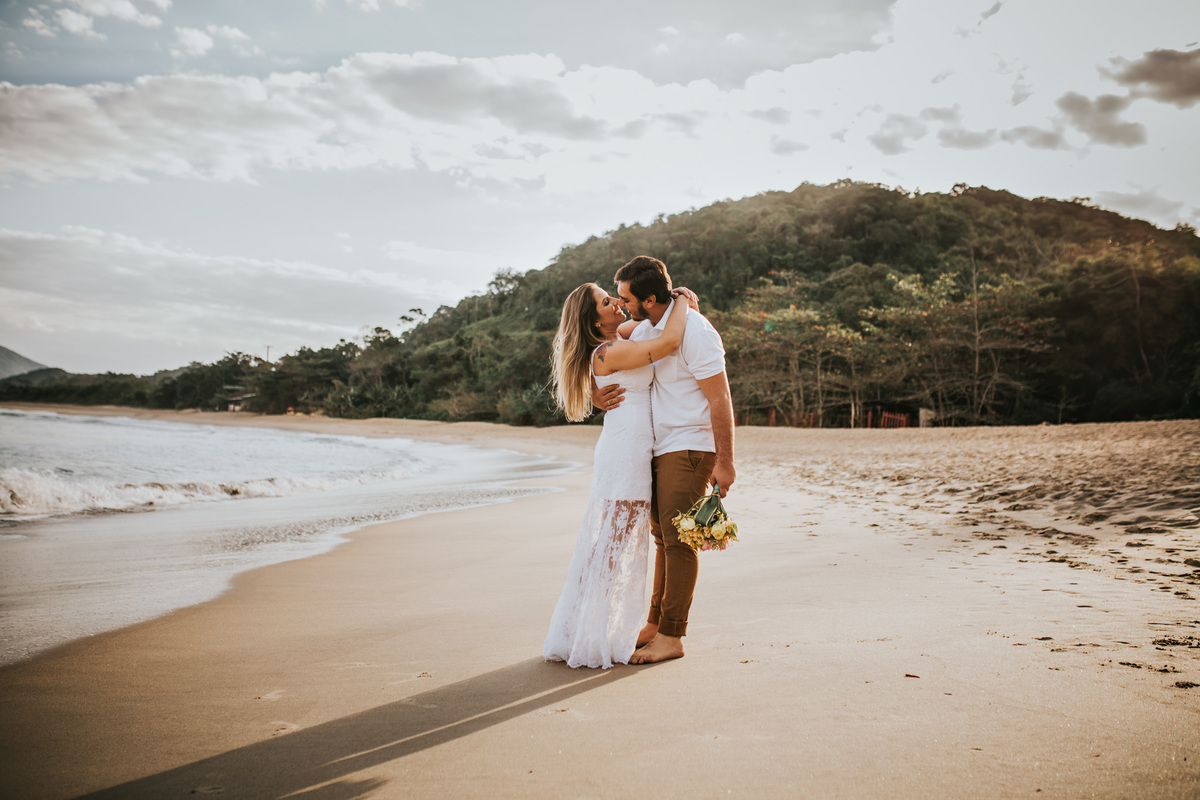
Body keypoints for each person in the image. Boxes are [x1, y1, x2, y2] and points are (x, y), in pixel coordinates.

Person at [542, 282, 691, 668]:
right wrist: (681, 300)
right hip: (625, 452)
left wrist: (595, 389)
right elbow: (671, 340)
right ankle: (589, 634)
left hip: (628, 448)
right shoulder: (611, 351)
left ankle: (582, 629)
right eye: (607, 302)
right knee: (614, 545)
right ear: (594, 319)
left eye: (614, 297)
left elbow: (639, 326)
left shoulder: (615, 341)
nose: (616, 304)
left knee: (610, 543)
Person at [596, 255, 736, 665]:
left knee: (678, 541)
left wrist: (725, 461)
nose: (621, 303)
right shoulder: (651, 325)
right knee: (663, 537)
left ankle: (673, 635)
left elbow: (719, 397)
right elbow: (618, 332)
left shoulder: (695, 329)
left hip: (691, 445)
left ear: (649, 298)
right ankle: (657, 623)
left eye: (625, 297)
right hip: (660, 446)